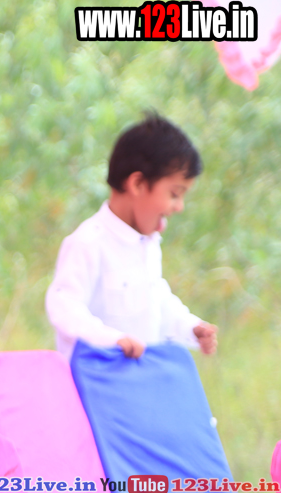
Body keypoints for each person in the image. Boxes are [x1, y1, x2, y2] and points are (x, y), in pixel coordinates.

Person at [45, 113, 218, 360]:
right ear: (137, 184)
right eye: (174, 194)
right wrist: (111, 340)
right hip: (97, 374)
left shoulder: (148, 244)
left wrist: (190, 327)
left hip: (139, 374)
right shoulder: (88, 243)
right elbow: (65, 306)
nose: (179, 207)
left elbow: (157, 301)